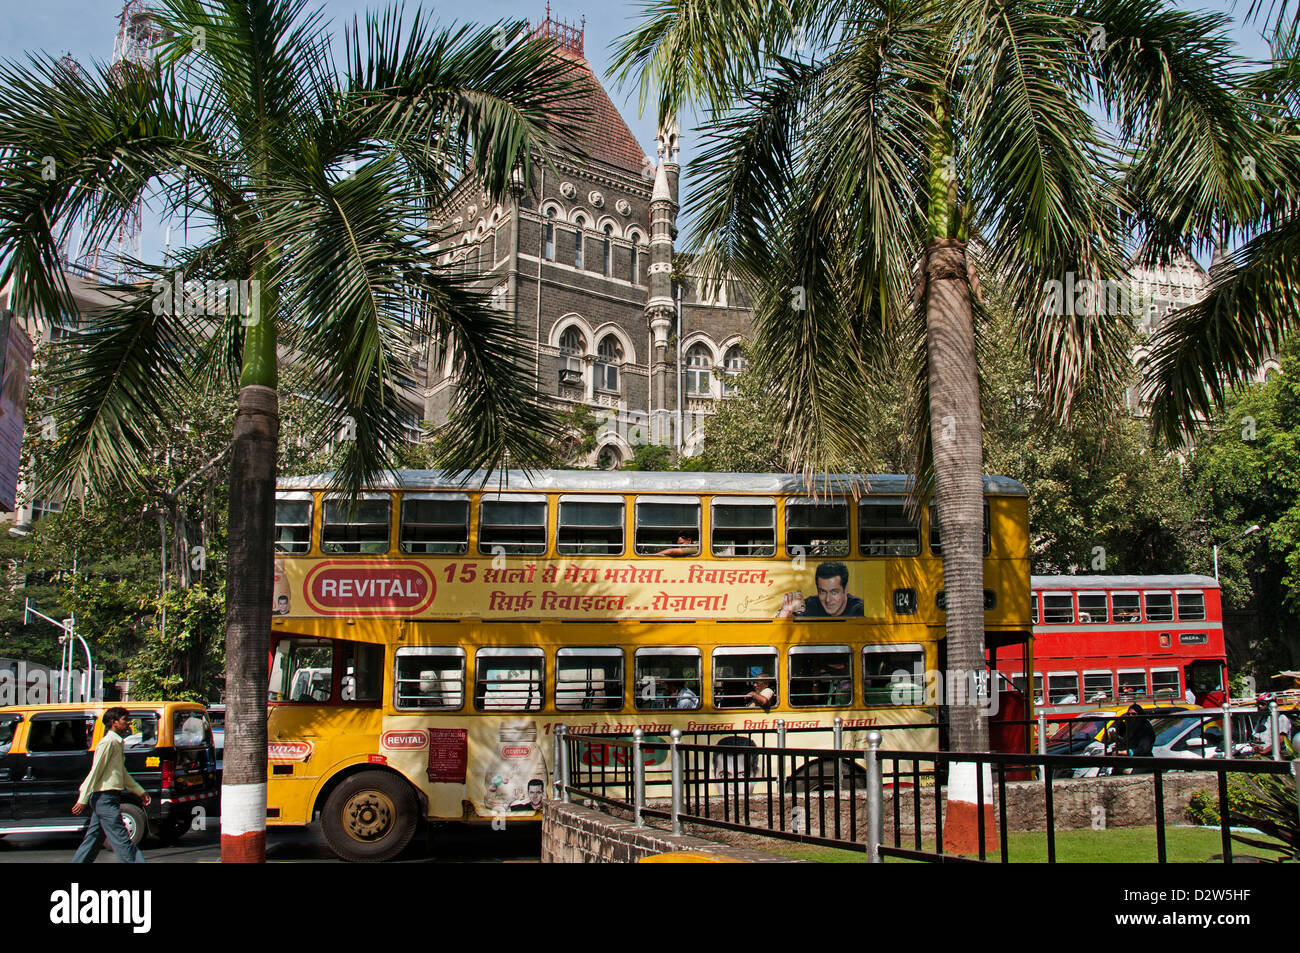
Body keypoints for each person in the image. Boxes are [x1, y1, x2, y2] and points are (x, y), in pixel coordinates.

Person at [71, 707, 150, 864]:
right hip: (104, 798)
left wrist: (139, 791)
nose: (129, 723)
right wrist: (83, 798)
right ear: (114, 723)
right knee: (122, 839)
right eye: (125, 720)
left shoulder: (117, 742)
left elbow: (120, 772)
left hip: (108, 798)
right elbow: (95, 771)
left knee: (93, 840)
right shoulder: (108, 742)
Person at [777, 561, 864, 618]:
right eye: (822, 592)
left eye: (834, 592)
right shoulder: (811, 604)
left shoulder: (858, 609)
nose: (828, 599)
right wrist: (786, 611)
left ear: (846, 589)